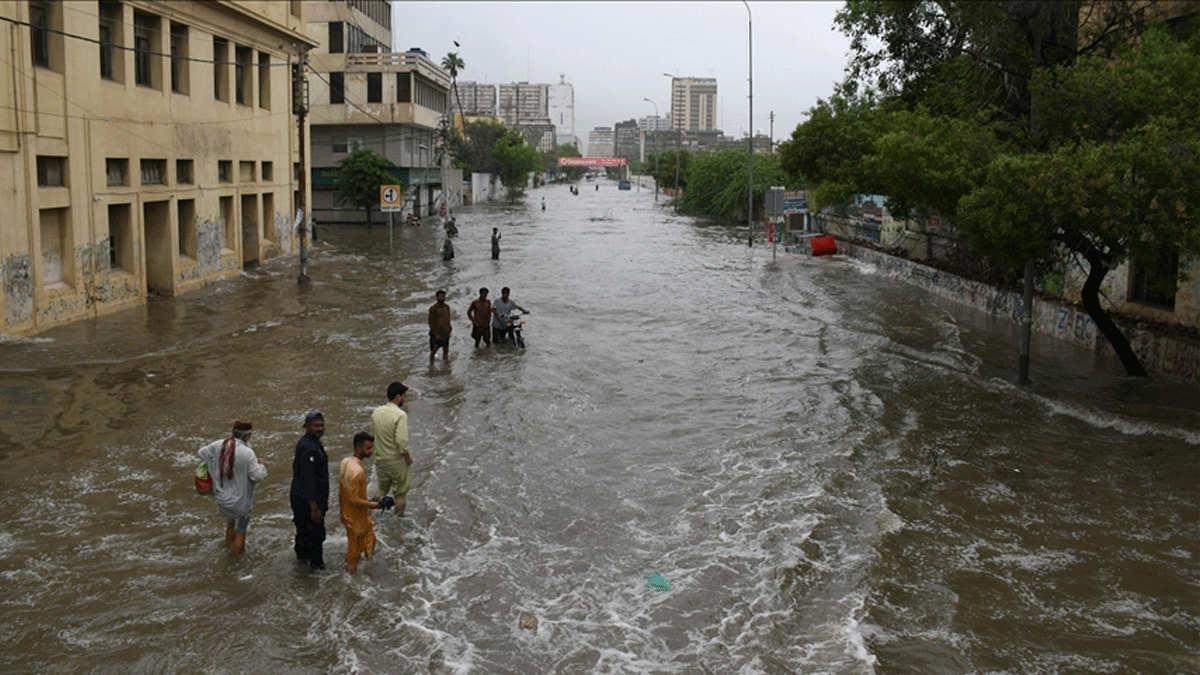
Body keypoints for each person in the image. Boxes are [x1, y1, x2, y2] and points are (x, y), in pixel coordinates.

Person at [197, 419, 267, 555]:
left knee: (230, 525)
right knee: (240, 531)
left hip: (222, 498)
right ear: (247, 436)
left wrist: (213, 466)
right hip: (240, 502)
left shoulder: (219, 445)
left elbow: (201, 453)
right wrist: (262, 465)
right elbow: (257, 476)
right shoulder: (247, 453)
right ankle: (235, 562)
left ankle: (227, 550)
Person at [339, 431, 386, 573]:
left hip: (350, 515)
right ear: (359, 448)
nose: (371, 451)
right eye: (368, 448)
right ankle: (350, 582)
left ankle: (367, 574)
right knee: (354, 554)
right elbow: (354, 500)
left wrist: (341, 511)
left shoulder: (345, 462)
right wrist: (375, 504)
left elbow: (341, 490)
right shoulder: (357, 471)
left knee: (371, 541)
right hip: (356, 519)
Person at [290, 411, 330, 570]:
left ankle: (301, 566)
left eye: (321, 425)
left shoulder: (312, 443)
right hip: (307, 502)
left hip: (303, 499)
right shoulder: (308, 448)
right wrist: (314, 507)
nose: (319, 429)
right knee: (315, 535)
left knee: (304, 534)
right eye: (316, 426)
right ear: (306, 426)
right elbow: (307, 480)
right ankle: (316, 570)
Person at [370, 382, 412, 517]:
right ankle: (397, 521)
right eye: (404, 396)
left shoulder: (376, 412)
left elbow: (374, 436)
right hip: (396, 461)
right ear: (398, 397)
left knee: (382, 489)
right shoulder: (400, 415)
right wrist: (408, 457)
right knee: (400, 494)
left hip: (380, 459)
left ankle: (370, 516)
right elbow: (401, 441)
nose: (405, 399)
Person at [429, 289, 452, 362]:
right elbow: (430, 322)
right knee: (434, 350)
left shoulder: (447, 307)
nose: (442, 298)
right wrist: (435, 334)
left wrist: (449, 330)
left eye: (443, 296)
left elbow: (448, 319)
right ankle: (431, 366)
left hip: (445, 332)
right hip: (437, 333)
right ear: (437, 297)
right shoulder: (433, 308)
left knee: (446, 350)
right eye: (440, 296)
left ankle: (446, 365)